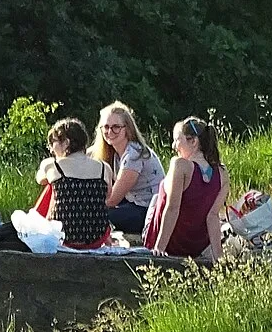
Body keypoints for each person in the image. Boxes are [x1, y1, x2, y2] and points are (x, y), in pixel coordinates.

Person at [145, 116, 230, 261]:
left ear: (193, 141)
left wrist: (159, 248)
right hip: (196, 247)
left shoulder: (180, 165)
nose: (173, 146)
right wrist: (218, 256)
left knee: (154, 199)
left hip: (170, 245)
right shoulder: (222, 174)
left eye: (177, 140)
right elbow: (213, 217)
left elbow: (172, 208)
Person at [36, 117, 112, 249]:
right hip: (97, 237)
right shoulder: (104, 168)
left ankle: (40, 226)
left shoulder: (51, 165)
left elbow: (39, 179)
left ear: (65, 143)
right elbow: (107, 196)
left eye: (52, 143)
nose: (51, 149)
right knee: (59, 186)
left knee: (51, 185)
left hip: (61, 237)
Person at [93, 101, 161, 236]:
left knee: (96, 218)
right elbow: (80, 155)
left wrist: (86, 206)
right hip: (132, 203)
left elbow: (113, 200)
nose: (110, 132)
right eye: (106, 127)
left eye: (116, 127)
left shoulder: (134, 154)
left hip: (147, 210)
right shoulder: (114, 151)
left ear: (128, 129)